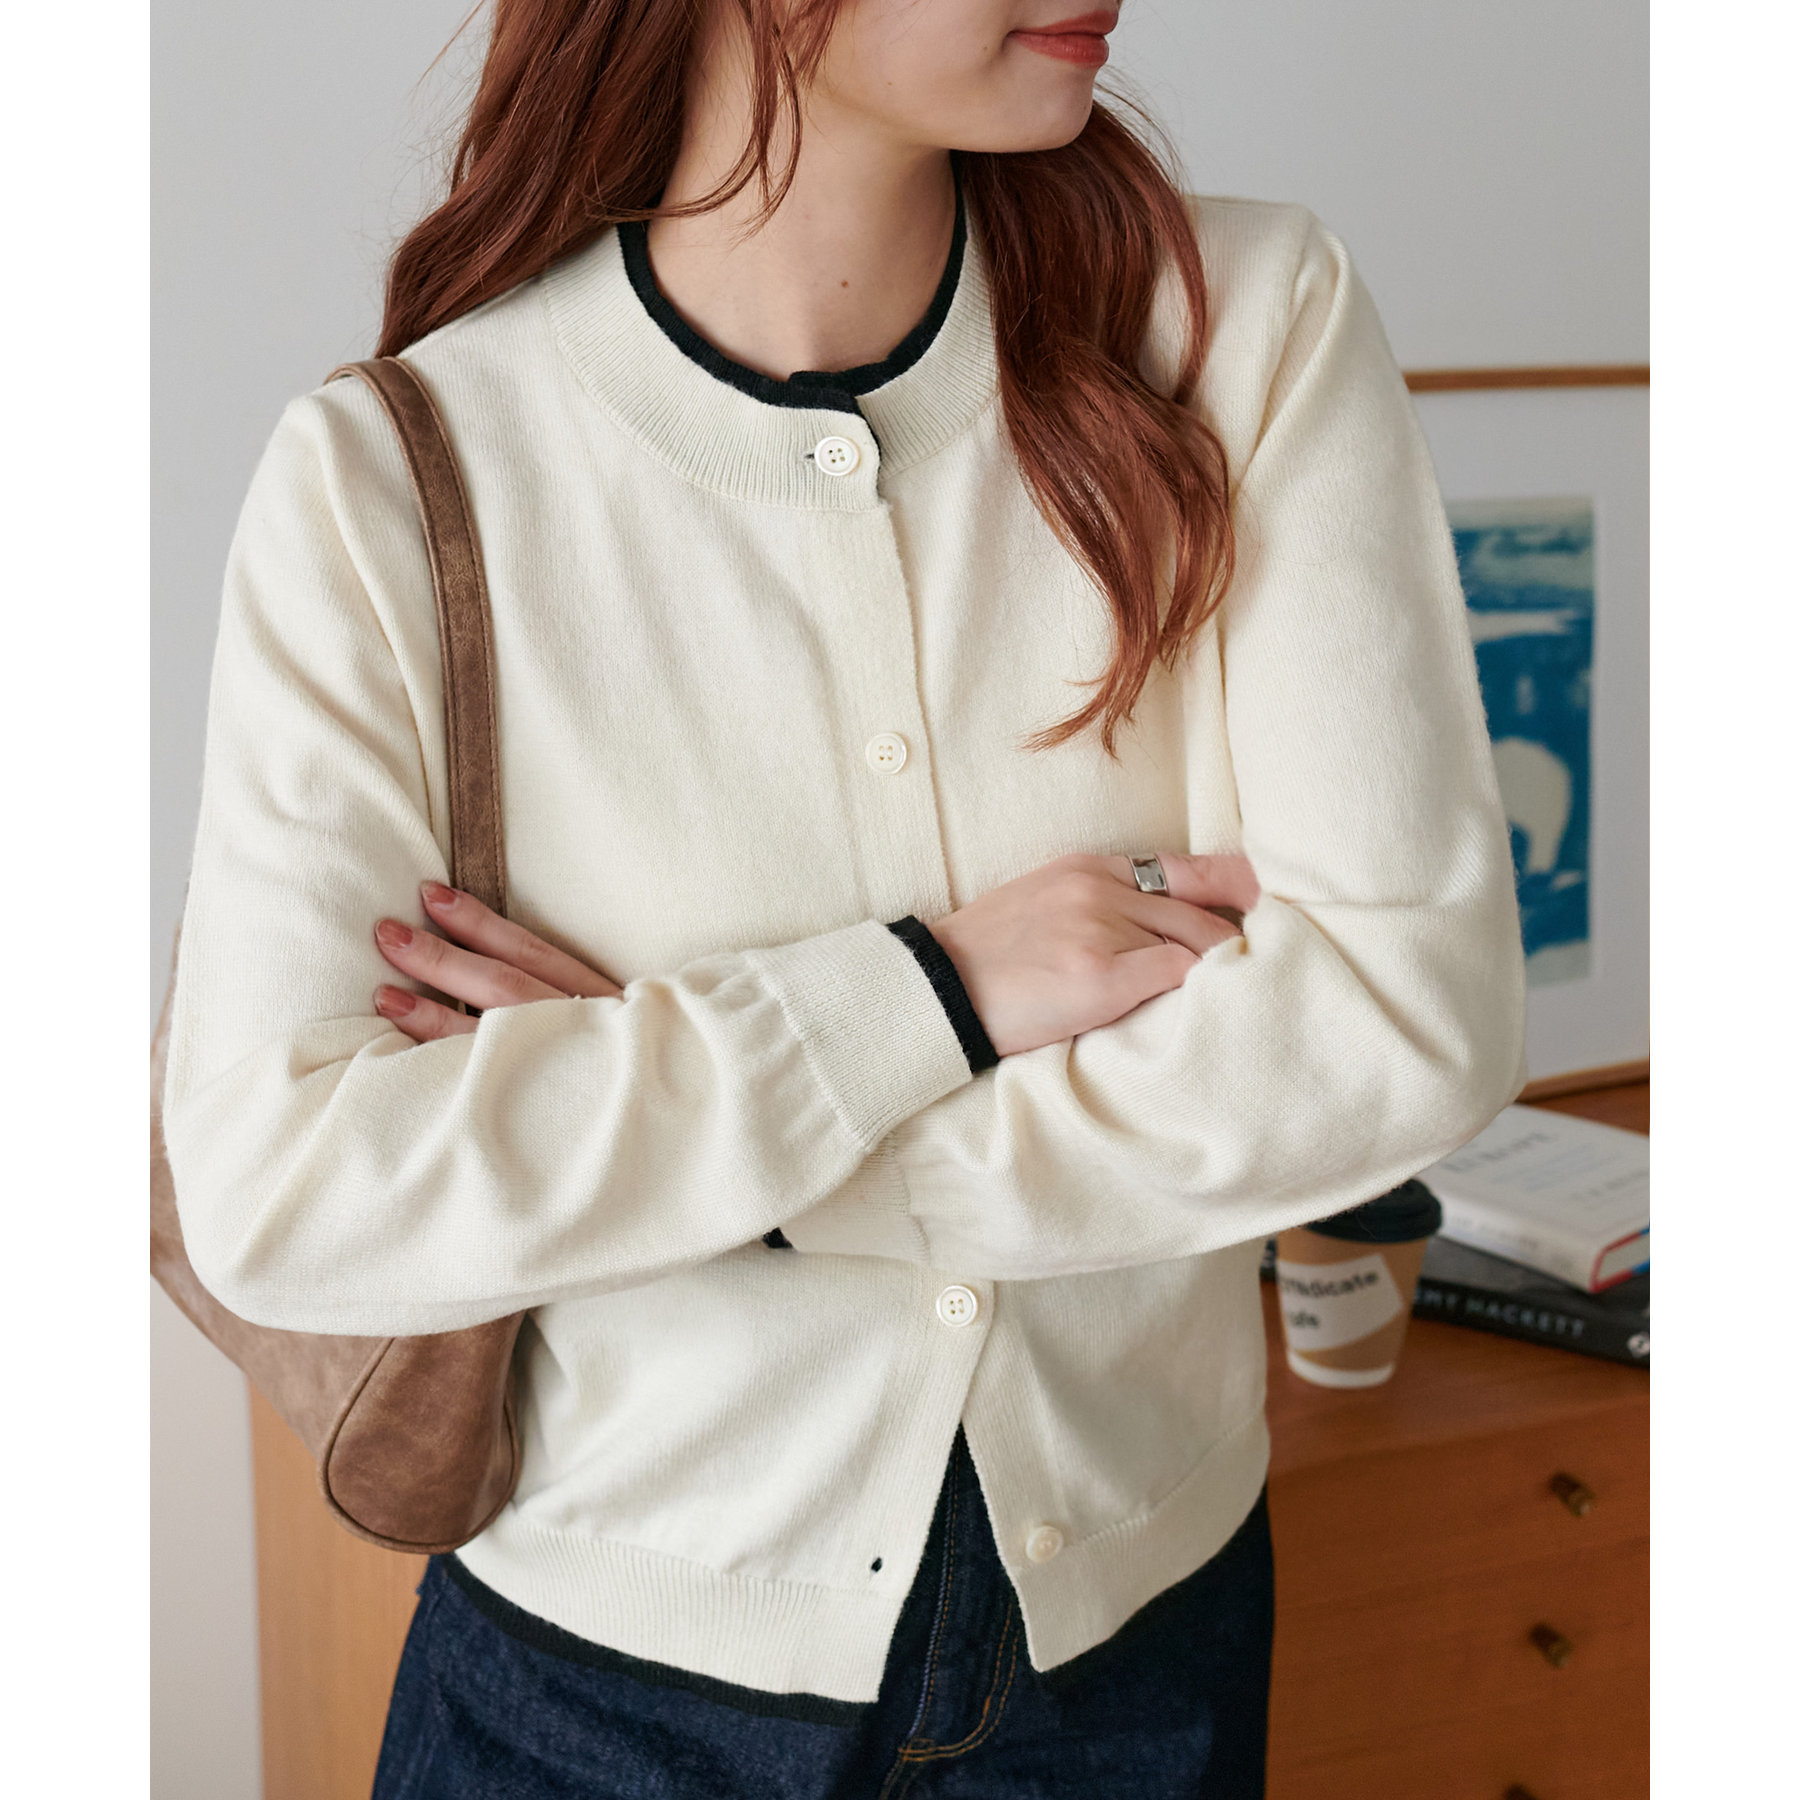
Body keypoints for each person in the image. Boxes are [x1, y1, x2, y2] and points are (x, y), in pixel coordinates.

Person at [163, 1, 1526, 1793]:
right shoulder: (397, 473)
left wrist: (735, 1143)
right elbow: (284, 1194)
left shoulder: (1243, 325)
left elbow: (1406, 1020)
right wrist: (934, 988)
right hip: (598, 1693)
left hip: (1138, 1660)